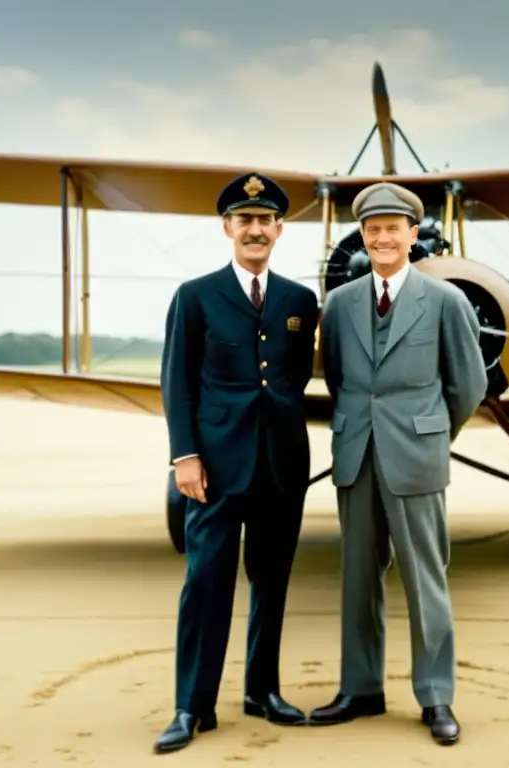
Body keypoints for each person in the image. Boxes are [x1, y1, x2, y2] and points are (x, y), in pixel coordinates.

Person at [309, 181, 488, 745]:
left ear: (414, 235)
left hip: (417, 459)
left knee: (425, 581)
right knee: (357, 578)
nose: (383, 238)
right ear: (362, 236)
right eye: (373, 229)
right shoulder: (338, 305)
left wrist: (431, 433)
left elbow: (468, 384)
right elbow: (339, 380)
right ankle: (360, 689)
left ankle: (436, 696)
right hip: (356, 457)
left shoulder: (446, 302)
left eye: (394, 228)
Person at [154, 172, 320, 754]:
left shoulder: (301, 301)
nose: (255, 229)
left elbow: (295, 380)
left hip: (281, 466)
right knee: (205, 584)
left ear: (280, 229)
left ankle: (262, 692)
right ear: (227, 228)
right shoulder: (194, 296)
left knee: (271, 583)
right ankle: (190, 706)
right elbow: (176, 382)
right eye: (244, 220)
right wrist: (185, 456)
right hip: (215, 469)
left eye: (265, 219)